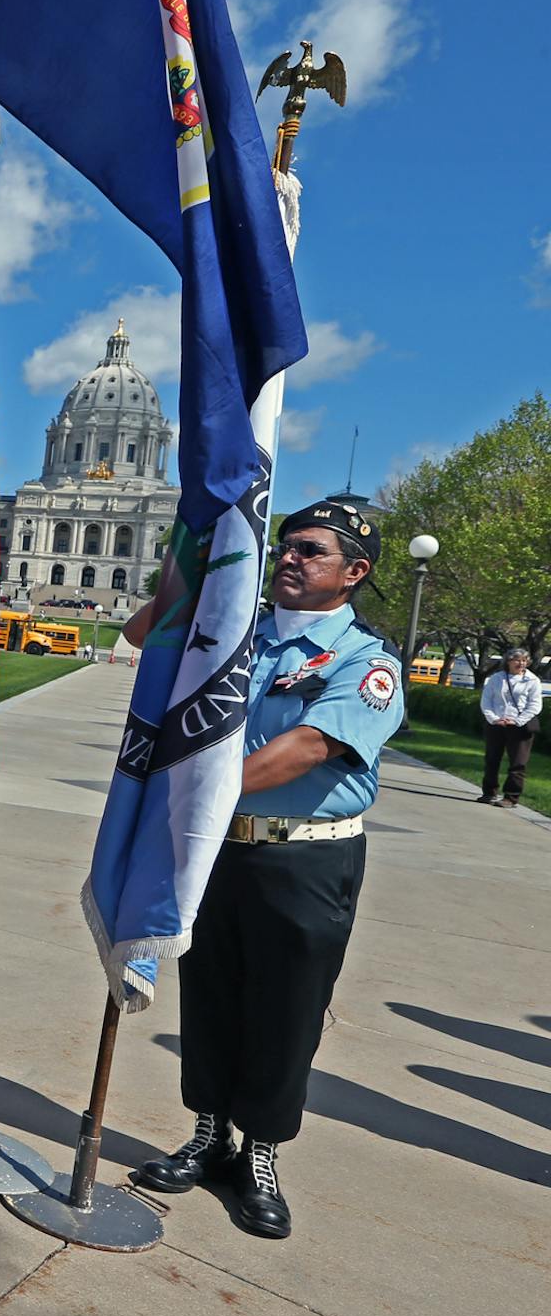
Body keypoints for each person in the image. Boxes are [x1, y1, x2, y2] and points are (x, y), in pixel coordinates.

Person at [131, 497, 405, 1240]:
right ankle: (208, 1132)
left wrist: (187, 787)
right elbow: (139, 634)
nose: (289, 556)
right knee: (212, 991)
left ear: (354, 572)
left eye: (311, 550)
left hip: (305, 858)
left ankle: (261, 1153)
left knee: (286, 1009)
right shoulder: (236, 629)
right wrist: (192, 567)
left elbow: (309, 749)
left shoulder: (366, 662)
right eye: (285, 545)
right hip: (220, 847)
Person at [477, 646, 540, 807]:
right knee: (492, 759)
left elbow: (535, 705)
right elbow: (486, 701)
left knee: (518, 763)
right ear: (508, 661)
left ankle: (511, 797)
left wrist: (518, 721)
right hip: (497, 724)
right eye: (517, 660)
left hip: (521, 727)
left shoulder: (532, 681)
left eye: (524, 660)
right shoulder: (496, 679)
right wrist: (494, 719)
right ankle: (489, 792)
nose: (521, 663)